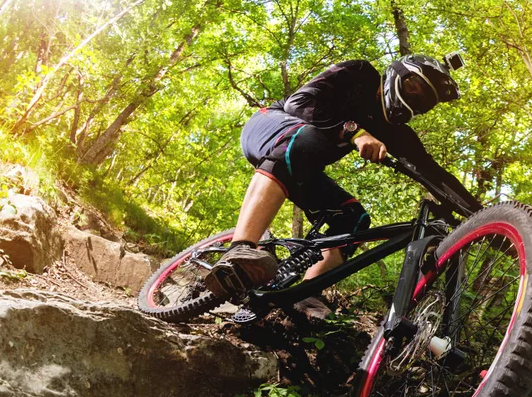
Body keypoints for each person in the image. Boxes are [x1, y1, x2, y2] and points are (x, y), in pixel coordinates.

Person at [203, 54, 482, 311]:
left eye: (424, 101)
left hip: (301, 163)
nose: (415, 100)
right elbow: (298, 103)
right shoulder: (360, 74)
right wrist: (355, 132)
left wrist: (482, 218)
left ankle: (306, 294)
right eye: (414, 88)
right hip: (270, 127)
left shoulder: (396, 133)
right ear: (399, 74)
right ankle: (240, 248)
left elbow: (437, 177)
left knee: (354, 219)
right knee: (305, 141)